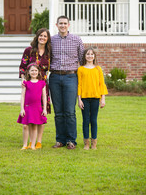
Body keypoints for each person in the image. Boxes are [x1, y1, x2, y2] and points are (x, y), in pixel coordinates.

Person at [49, 15, 84, 149]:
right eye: (60, 23)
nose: (63, 25)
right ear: (56, 25)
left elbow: (82, 59)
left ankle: (71, 140)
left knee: (69, 111)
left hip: (71, 77)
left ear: (69, 25)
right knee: (58, 111)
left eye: (65, 23)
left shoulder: (76, 40)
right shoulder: (51, 41)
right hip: (55, 77)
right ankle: (60, 140)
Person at [19, 28, 51, 149]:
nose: (42, 38)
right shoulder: (29, 51)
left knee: (42, 112)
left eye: (45, 36)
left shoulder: (49, 52)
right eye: (41, 35)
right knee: (30, 112)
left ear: (47, 39)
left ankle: (38, 141)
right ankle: (28, 141)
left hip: (42, 85)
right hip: (30, 84)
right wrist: (23, 79)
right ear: (37, 36)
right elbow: (22, 66)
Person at [77, 47, 108, 150]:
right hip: (85, 98)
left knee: (93, 120)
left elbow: (101, 84)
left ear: (94, 56)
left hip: (95, 98)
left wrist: (102, 98)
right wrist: (79, 99)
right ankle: (86, 143)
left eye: (91, 54)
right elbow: (79, 85)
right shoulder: (80, 69)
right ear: (84, 56)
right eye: (87, 54)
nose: (89, 56)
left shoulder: (98, 69)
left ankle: (94, 142)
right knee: (86, 120)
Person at [17, 63, 47, 150]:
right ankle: (25, 144)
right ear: (28, 72)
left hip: (37, 107)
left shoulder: (42, 83)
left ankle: (33, 145)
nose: (34, 72)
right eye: (32, 70)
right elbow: (22, 96)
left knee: (34, 126)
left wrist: (44, 109)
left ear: (38, 72)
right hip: (27, 107)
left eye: (36, 70)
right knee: (25, 126)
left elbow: (44, 96)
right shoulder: (26, 83)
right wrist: (22, 108)